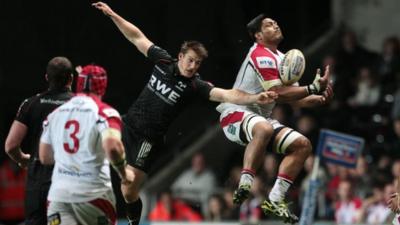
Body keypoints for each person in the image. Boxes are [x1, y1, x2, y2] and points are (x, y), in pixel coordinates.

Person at [92, 2, 278, 225]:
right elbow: (136, 37)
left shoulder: (195, 86)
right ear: (180, 56)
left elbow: (227, 95)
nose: (193, 66)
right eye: (190, 60)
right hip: (126, 124)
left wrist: (255, 98)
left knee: (128, 191)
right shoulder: (162, 60)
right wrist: (113, 14)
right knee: (91, 147)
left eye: (197, 63)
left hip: (147, 140)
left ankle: (133, 223)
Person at [216, 14, 333, 223]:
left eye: (275, 22)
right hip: (234, 114)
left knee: (303, 145)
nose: (275, 24)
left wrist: (320, 97)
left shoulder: (281, 58)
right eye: (269, 25)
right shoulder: (259, 54)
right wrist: (312, 87)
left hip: (260, 117)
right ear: (258, 36)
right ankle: (245, 183)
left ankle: (275, 198)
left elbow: (297, 100)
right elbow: (279, 93)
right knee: (264, 129)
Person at [39, 64, 128, 225]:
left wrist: (70, 161)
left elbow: (45, 157)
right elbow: (113, 148)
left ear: (78, 84)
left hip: (58, 197)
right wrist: (124, 174)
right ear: (103, 87)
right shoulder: (105, 112)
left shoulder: (55, 114)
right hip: (93, 196)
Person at [4, 56, 74, 225]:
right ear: (71, 78)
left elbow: (11, 146)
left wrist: (23, 160)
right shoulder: (79, 105)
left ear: (47, 78)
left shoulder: (31, 104)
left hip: (38, 184)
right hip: (69, 183)